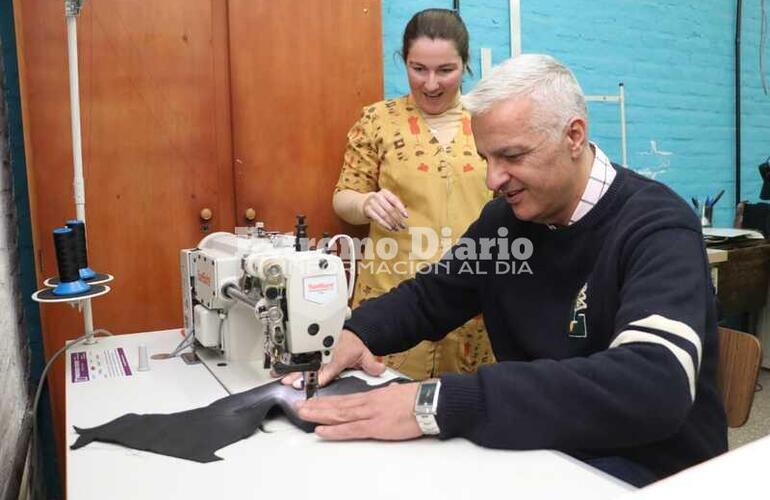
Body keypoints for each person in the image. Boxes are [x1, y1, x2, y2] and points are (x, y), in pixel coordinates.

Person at [292, 54, 728, 487]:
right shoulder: (505, 222)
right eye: (486, 158)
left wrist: (441, 402)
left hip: (652, 475)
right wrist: (355, 333)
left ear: (574, 136)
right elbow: (431, 297)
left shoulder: (657, 225)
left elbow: (654, 384)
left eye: (512, 156)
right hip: (546, 454)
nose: (492, 179)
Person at [332, 8, 495, 380]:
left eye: (446, 70)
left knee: (466, 413)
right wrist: (366, 202)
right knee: (383, 411)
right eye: (418, 68)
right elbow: (344, 196)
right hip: (393, 297)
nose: (431, 84)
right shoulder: (378, 121)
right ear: (402, 61)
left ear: (466, 65)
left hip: (473, 302)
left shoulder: (488, 121)